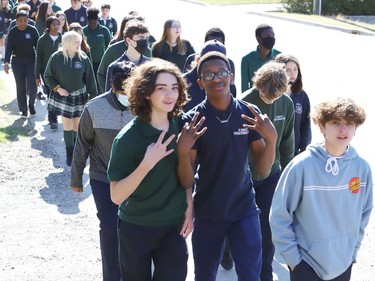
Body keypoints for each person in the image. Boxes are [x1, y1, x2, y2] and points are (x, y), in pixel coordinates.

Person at [177, 50, 278, 280]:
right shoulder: (192, 120)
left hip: (244, 210)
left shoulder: (248, 114)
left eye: (222, 73)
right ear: (200, 83)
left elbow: (262, 171)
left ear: (231, 77)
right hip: (209, 211)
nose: (217, 79)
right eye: (209, 75)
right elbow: (186, 179)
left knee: (251, 274)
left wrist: (271, 140)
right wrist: (183, 153)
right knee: (204, 274)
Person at [107, 58, 193, 281]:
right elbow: (116, 196)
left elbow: (185, 175)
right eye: (161, 88)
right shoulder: (128, 139)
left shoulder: (183, 126)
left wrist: (189, 204)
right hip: (136, 226)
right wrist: (147, 163)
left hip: (172, 226)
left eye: (174, 88)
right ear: (145, 92)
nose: (170, 95)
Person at [270, 97, 373, 281]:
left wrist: (352, 251)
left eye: (349, 123)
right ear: (322, 126)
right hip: (306, 265)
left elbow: (364, 213)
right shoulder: (301, 166)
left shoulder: (361, 168)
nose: (343, 129)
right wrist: (293, 260)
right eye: (335, 123)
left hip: (343, 263)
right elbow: (279, 215)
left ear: (356, 127)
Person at [70, 60, 136, 281]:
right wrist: (76, 178)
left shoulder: (144, 107)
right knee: (109, 228)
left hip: (135, 181)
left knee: (132, 229)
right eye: (123, 90)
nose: (129, 95)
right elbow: (82, 144)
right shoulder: (94, 108)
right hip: (102, 179)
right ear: (113, 87)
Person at [240, 60, 295, 281]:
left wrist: (287, 175)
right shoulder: (243, 102)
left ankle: (264, 274)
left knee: (267, 229)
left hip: (272, 175)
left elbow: (288, 143)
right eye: (266, 96)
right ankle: (228, 250)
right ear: (258, 85)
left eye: (276, 97)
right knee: (241, 227)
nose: (270, 100)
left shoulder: (287, 104)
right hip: (244, 176)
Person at [44, 30, 97, 166]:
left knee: (77, 126)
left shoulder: (83, 57)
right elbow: (48, 76)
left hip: (80, 95)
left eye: (79, 41)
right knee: (67, 126)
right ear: (67, 43)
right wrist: (58, 89)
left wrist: (94, 96)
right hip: (64, 96)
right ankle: (69, 154)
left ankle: (77, 153)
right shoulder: (56, 57)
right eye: (75, 42)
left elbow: (90, 79)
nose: (79, 44)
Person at [182, 28, 236, 112]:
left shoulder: (228, 83)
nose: (216, 79)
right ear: (199, 60)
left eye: (219, 61)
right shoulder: (182, 83)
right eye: (208, 60)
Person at [97, 13, 152, 93]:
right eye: (141, 38)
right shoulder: (113, 66)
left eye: (147, 38)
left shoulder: (149, 66)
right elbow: (110, 97)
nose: (144, 41)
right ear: (128, 40)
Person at [4, 10, 39, 118]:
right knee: (21, 86)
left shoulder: (32, 30)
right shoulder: (13, 31)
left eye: (25, 20)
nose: (23, 23)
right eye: (20, 20)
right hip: (17, 61)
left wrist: (40, 62)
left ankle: (31, 104)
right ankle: (23, 110)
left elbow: (38, 46)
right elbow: (8, 47)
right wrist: (6, 62)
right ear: (16, 21)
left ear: (28, 20)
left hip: (31, 61)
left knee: (32, 86)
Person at [275, 53, 311, 155]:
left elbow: (306, 125)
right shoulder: (272, 94)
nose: (292, 74)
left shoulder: (302, 95)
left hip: (294, 151)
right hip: (274, 150)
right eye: (288, 70)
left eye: (295, 69)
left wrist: (304, 149)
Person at [35, 15, 61, 129]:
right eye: (53, 24)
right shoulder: (42, 39)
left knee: (57, 93)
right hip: (45, 71)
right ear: (48, 26)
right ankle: (53, 119)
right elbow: (38, 58)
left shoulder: (63, 38)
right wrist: (36, 76)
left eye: (57, 24)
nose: (56, 26)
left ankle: (53, 115)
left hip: (60, 71)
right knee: (51, 93)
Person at [241, 23, 281, 92]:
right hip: (255, 98)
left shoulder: (280, 56)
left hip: (275, 97)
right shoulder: (247, 59)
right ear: (258, 39)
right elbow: (244, 87)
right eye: (267, 36)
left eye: (273, 35)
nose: (271, 38)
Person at [83, 7, 110, 92]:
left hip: (101, 61)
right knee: (90, 82)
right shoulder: (83, 31)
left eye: (94, 23)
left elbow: (109, 45)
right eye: (90, 23)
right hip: (87, 62)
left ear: (98, 20)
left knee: (100, 83)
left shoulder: (104, 30)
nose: (93, 25)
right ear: (87, 21)